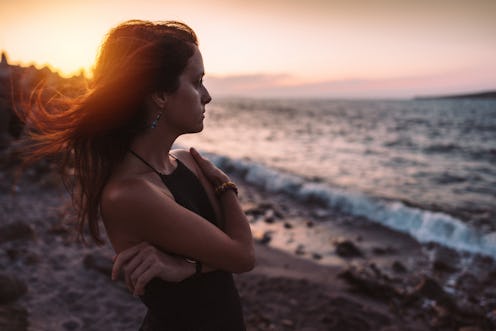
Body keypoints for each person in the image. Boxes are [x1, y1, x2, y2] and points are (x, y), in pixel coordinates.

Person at [25, 20, 254, 330]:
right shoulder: (129, 194)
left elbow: (228, 255)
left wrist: (187, 267)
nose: (207, 95)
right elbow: (242, 256)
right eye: (197, 81)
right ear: (159, 94)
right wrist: (226, 187)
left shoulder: (187, 161)